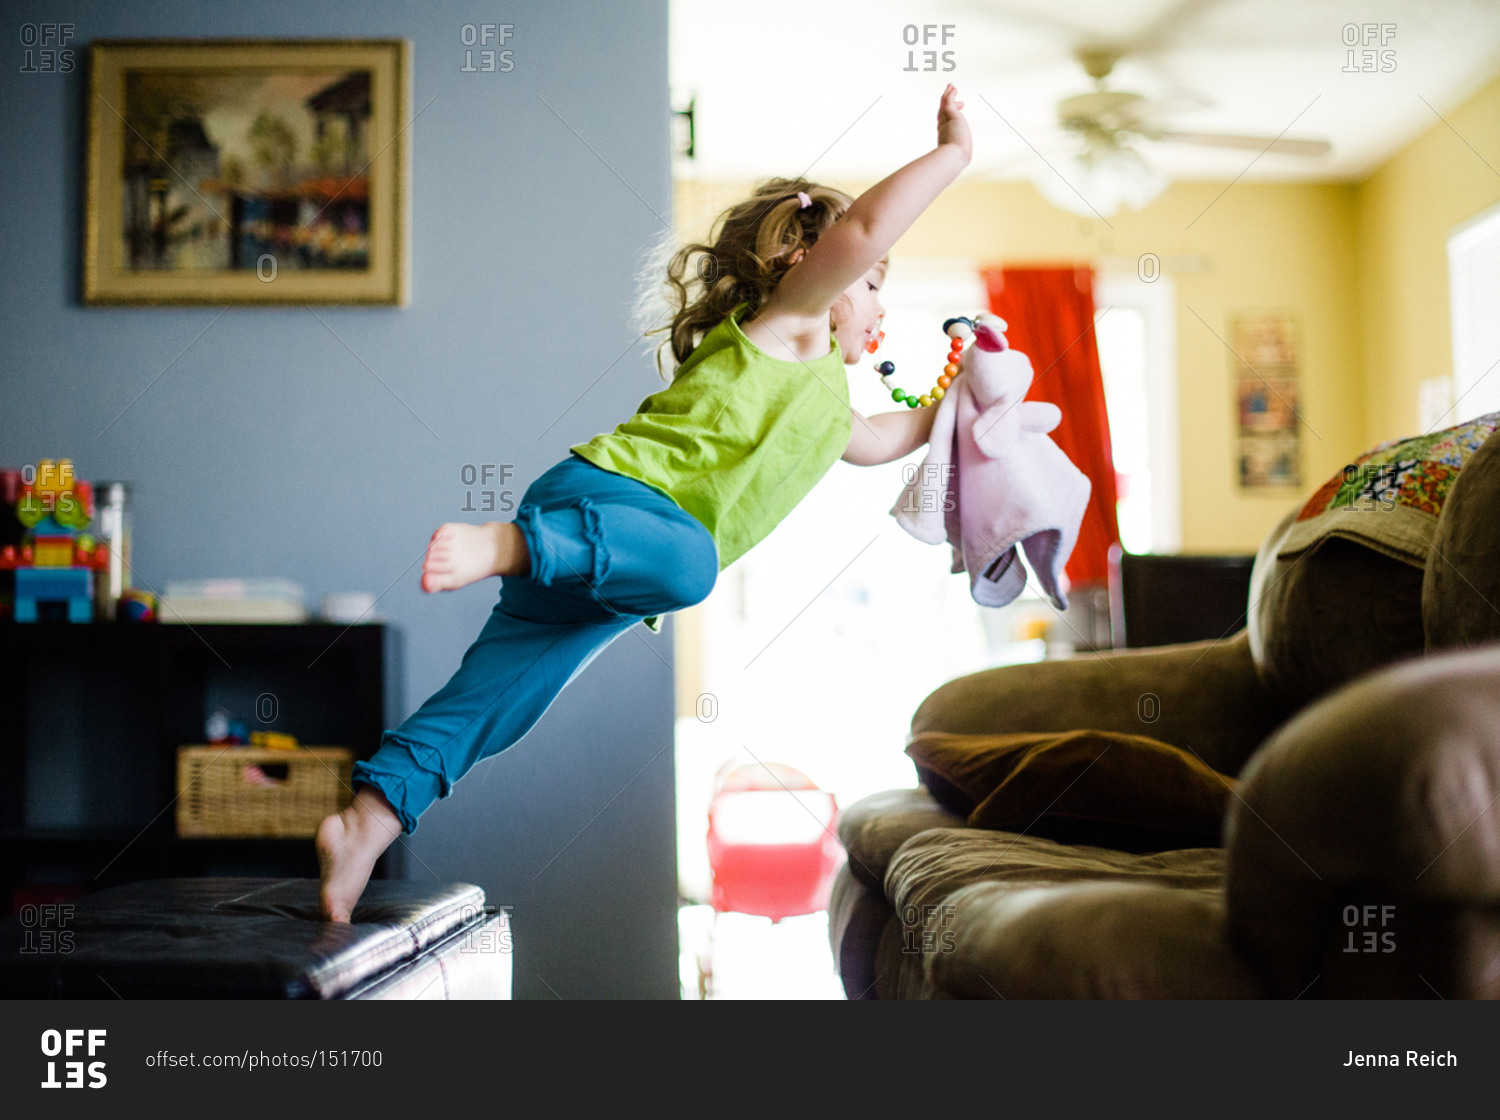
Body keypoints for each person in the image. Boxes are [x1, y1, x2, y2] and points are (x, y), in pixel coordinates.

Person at [316, 84, 974, 923]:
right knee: (694, 565)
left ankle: (365, 824)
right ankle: (506, 546)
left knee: (497, 706)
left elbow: (884, 439)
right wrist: (952, 154)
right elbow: (863, 230)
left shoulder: (831, 407)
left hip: (612, 571)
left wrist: (957, 411)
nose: (879, 305)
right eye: (874, 285)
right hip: (606, 511)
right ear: (804, 268)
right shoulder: (793, 324)